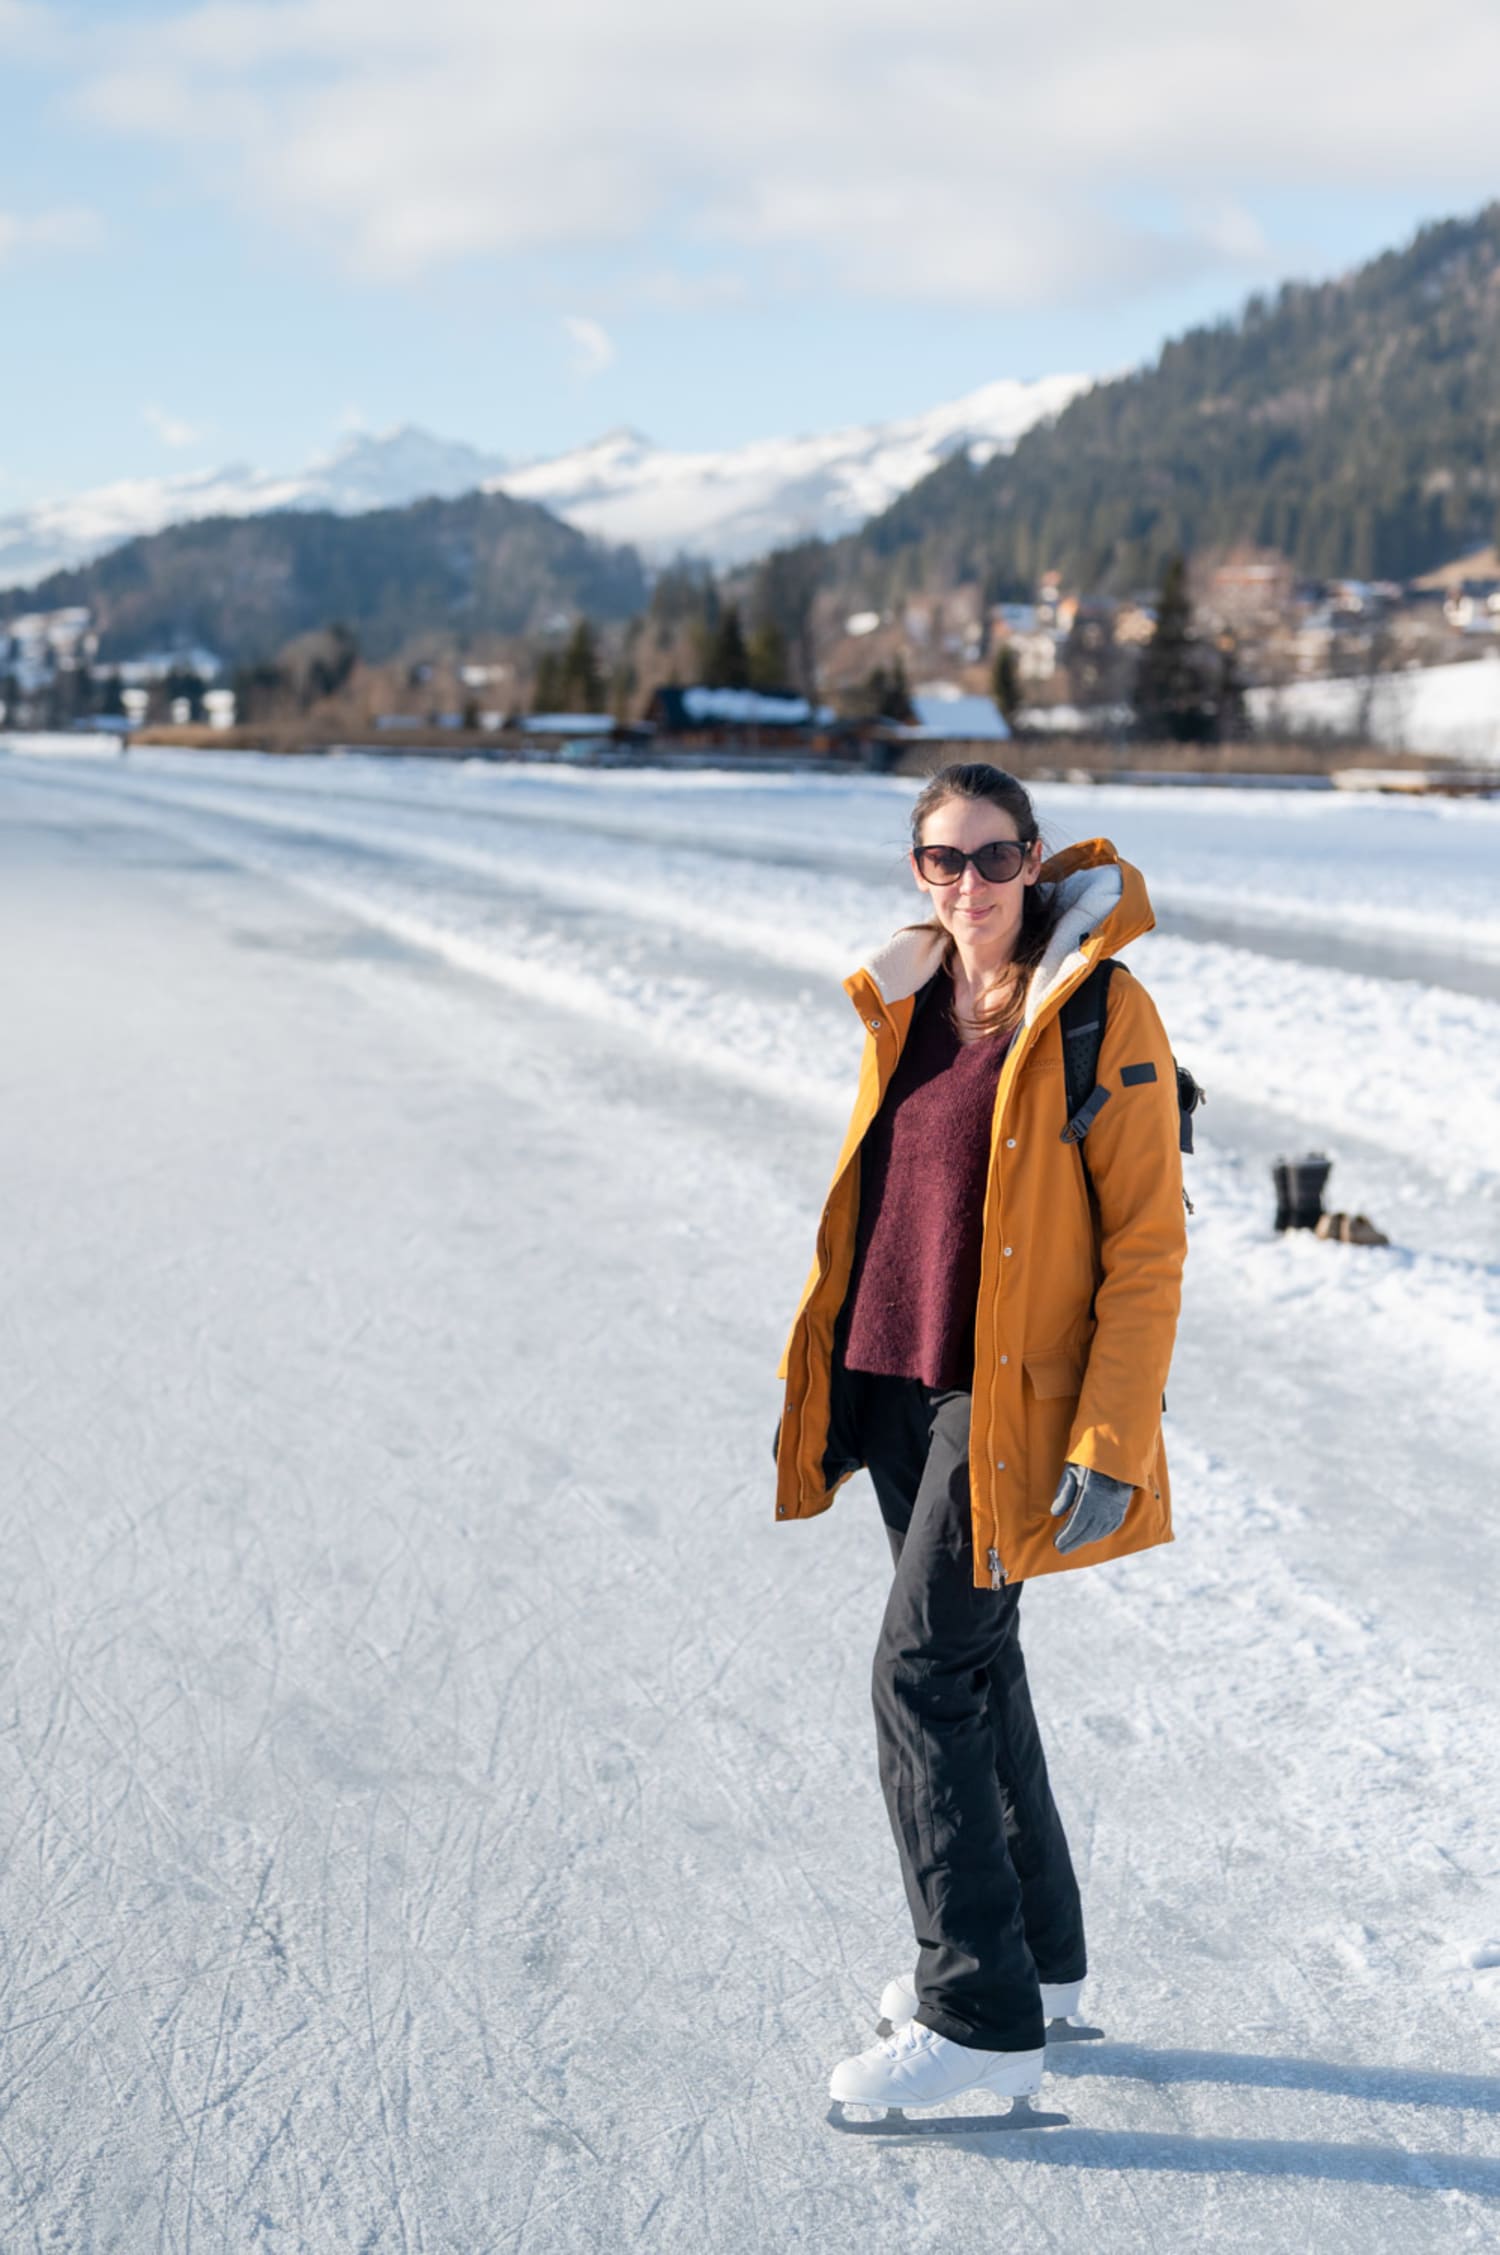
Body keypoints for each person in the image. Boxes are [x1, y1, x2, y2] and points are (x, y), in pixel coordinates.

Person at [772, 762, 1188, 2117]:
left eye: (996, 860)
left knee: (921, 1677)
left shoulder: (1099, 1012)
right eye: (943, 861)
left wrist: (1112, 1435)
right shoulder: (904, 999)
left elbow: (1146, 1249)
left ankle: (976, 2012)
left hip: (1000, 1405)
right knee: (978, 1660)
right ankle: (1045, 1961)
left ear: (1037, 863)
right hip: (896, 1375)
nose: (970, 887)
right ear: (917, 870)